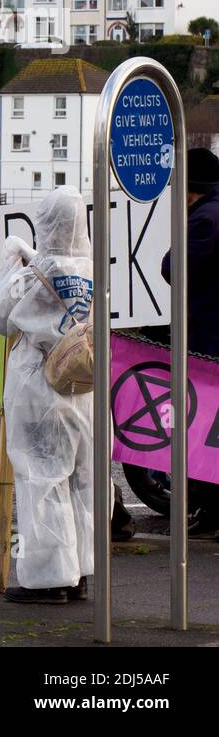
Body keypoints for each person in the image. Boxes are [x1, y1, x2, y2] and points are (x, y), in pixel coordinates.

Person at [0, 186, 94, 604]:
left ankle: (48, 579)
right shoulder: (93, 269)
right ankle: (81, 569)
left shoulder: (33, 274)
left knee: (42, 482)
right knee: (81, 481)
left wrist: (10, 265)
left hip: (39, 387)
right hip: (81, 386)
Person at [160, 146, 219, 534]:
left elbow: (173, 266)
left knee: (205, 428)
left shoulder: (205, 221)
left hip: (208, 340)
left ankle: (211, 513)